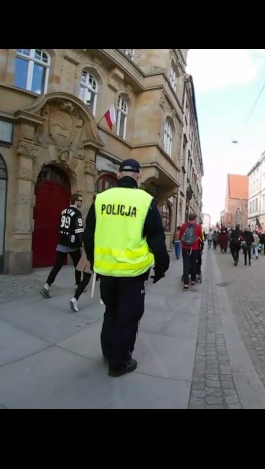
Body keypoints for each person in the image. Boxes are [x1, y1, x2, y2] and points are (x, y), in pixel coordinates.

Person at [84, 159, 169, 378]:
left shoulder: (101, 199)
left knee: (110, 312)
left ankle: (108, 351)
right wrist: (161, 268)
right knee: (128, 317)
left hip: (106, 271)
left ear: (120, 174)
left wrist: (95, 262)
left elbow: (89, 234)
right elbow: (157, 239)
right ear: (139, 175)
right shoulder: (145, 201)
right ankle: (119, 363)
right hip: (132, 273)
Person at [40, 193, 84, 298]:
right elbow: (79, 230)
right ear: (76, 201)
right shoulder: (77, 213)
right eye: (80, 200)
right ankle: (77, 285)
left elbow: (59, 225)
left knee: (57, 266)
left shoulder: (63, 211)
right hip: (73, 245)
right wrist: (82, 242)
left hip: (62, 243)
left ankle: (46, 286)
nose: (81, 202)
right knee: (78, 265)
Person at [179, 213, 203, 290]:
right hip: (194, 249)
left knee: (186, 265)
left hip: (185, 248)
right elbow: (201, 238)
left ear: (188, 218)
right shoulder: (198, 227)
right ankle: (193, 280)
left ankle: (186, 284)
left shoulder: (183, 226)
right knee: (193, 264)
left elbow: (180, 237)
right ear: (195, 219)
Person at [69, 247, 93, 312]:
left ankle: (75, 298)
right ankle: (75, 298)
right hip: (91, 257)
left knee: (85, 278)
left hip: (85, 256)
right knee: (86, 279)